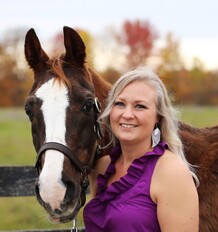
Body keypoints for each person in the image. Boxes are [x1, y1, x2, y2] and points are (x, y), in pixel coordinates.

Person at [83, 66, 199, 232]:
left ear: (158, 116)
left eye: (140, 106)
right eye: (120, 104)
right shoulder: (102, 167)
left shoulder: (172, 172)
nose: (127, 114)